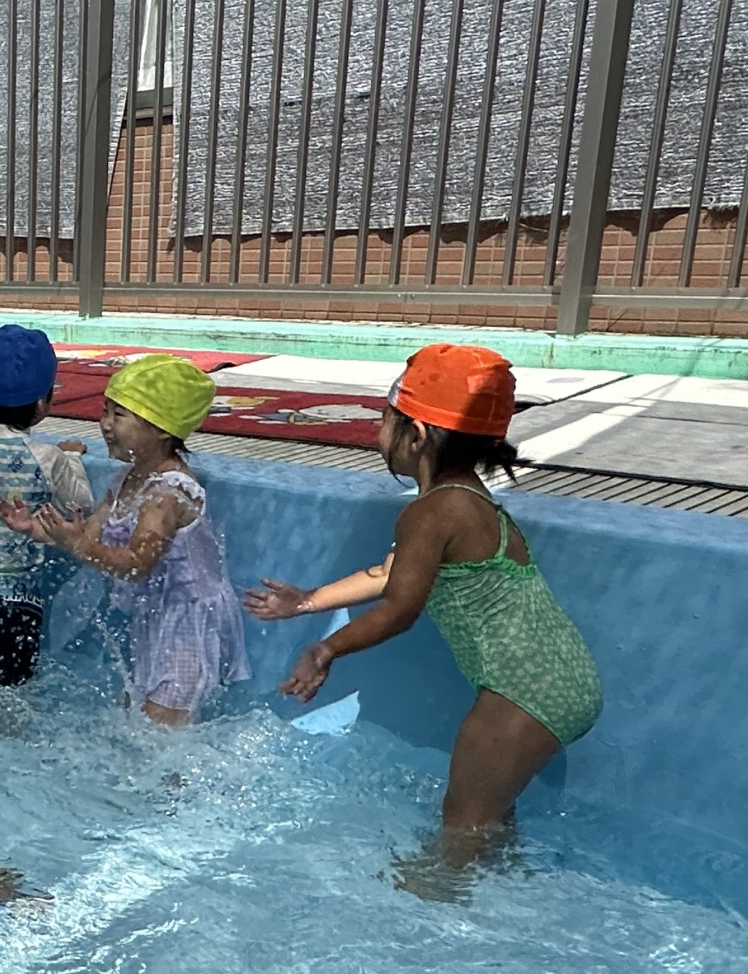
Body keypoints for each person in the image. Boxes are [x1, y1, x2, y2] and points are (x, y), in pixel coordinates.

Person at [246, 343, 602, 880]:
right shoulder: (469, 500)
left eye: (385, 420)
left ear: (415, 435)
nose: (378, 433)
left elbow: (401, 608)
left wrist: (326, 648)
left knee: (460, 828)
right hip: (559, 678)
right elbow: (390, 574)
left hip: (524, 690)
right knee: (487, 817)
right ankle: (499, 890)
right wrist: (308, 601)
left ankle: (433, 901)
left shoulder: (433, 511)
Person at [7, 353, 246, 724]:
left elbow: (138, 564)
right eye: (105, 412)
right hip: (153, 617)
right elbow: (87, 535)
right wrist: (40, 530)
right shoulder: (125, 481)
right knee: (136, 714)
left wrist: (79, 546)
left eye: (119, 415)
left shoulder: (167, 494)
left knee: (160, 725)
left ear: (162, 428)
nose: (104, 424)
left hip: (189, 622)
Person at [0, 325, 93, 688]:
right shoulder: (48, 457)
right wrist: (72, 458)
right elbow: (80, 505)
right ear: (42, 403)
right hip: (19, 599)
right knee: (14, 693)